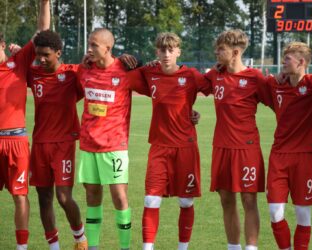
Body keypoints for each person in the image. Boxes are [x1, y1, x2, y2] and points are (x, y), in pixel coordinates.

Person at [127, 32, 211, 250]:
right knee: (151, 200)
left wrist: (196, 114)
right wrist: (126, 59)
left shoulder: (191, 75)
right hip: (159, 147)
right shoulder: (149, 73)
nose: (166, 54)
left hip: (186, 147)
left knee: (186, 202)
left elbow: (214, 86)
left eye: (171, 50)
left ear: (178, 52)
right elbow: (123, 75)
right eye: (162, 50)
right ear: (157, 52)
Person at [77, 27, 149, 250]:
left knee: (119, 196)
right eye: (89, 44)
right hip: (88, 145)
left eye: (94, 45)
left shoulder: (125, 72)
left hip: (114, 145)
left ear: (108, 48)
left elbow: (153, 85)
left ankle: (125, 247)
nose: (89, 49)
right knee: (92, 196)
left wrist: (139, 61)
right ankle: (94, 247)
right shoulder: (85, 70)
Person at [204, 29, 270, 250]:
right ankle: (233, 247)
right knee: (226, 200)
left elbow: (279, 102)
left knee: (249, 201)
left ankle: (251, 248)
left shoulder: (256, 78)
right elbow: (187, 87)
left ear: (235, 52)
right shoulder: (215, 75)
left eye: (221, 49)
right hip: (221, 147)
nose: (216, 52)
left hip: (247, 148)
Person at [26, 30, 87, 250]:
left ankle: (80, 238)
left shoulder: (73, 74)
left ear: (58, 52)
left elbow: (96, 81)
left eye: (46, 55)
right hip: (40, 143)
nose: (41, 59)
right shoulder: (33, 73)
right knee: (44, 198)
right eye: (38, 54)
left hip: (64, 143)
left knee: (63, 197)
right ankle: (54, 246)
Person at [265, 42, 312, 250]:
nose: (283, 62)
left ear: (302, 62)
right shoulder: (274, 84)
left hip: (305, 156)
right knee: (274, 212)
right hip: (279, 155)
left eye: (287, 58)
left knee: (303, 214)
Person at [0, 1, 50, 249]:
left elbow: (42, 31)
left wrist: (44, 3)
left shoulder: (17, 62)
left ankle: (22, 247)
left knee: (20, 195)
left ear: (1, 45)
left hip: (16, 141)